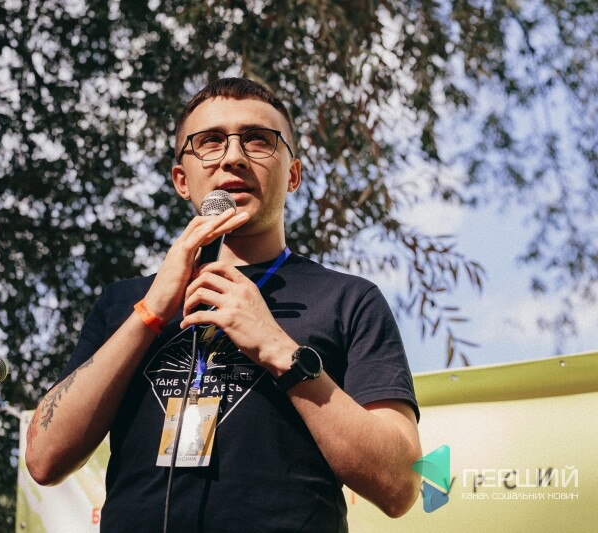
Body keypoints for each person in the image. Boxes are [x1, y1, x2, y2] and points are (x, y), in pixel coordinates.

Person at [25, 77, 422, 532]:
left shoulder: (350, 300)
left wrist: (280, 351)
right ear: (182, 180)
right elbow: (43, 459)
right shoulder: (122, 303)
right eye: (210, 141)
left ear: (293, 175)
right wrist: (150, 312)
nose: (233, 156)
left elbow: (401, 485)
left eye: (258, 139)